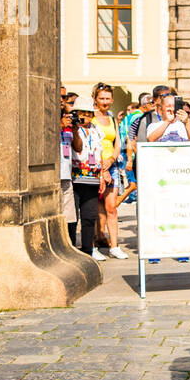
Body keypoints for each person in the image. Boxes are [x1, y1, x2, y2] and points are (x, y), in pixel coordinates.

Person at [91, 83, 128, 260]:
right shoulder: (91, 118)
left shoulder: (113, 119)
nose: (105, 102)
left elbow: (118, 143)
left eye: (107, 99)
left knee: (111, 207)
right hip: (94, 166)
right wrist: (101, 166)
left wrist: (112, 160)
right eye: (101, 99)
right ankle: (93, 244)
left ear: (112, 100)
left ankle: (115, 246)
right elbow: (91, 142)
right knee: (93, 207)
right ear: (95, 99)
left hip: (110, 165)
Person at [70, 105, 107, 262]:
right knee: (72, 217)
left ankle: (88, 250)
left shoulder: (96, 130)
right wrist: (75, 128)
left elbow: (100, 152)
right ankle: (71, 248)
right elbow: (77, 148)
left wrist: (102, 175)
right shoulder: (73, 129)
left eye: (88, 114)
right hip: (76, 177)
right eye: (81, 114)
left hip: (93, 178)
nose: (85, 117)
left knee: (90, 216)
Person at [59, 100, 78, 246]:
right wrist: (60, 124)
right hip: (54, 176)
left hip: (66, 175)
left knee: (70, 216)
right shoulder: (54, 128)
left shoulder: (68, 131)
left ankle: (70, 244)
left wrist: (76, 128)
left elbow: (78, 147)